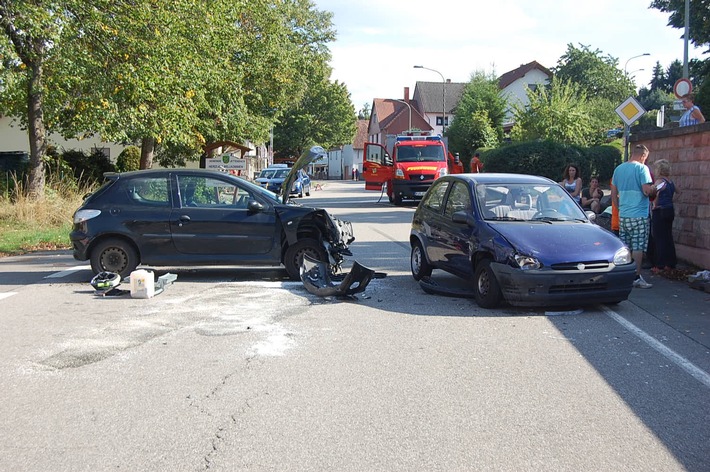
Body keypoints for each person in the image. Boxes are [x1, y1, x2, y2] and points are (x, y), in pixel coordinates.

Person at [611, 144, 657, 289]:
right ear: (643, 156)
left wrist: (620, 208)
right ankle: (636, 277)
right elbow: (646, 191)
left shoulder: (618, 169)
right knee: (638, 247)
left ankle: (624, 275)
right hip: (639, 214)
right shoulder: (642, 169)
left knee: (625, 246)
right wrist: (654, 189)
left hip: (624, 214)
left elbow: (613, 193)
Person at [650, 159, 680, 274]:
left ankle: (660, 264)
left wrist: (655, 205)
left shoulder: (659, 181)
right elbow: (679, 192)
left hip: (660, 211)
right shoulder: (670, 182)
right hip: (669, 210)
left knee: (659, 238)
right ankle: (670, 263)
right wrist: (671, 201)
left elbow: (656, 193)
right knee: (668, 237)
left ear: (659, 170)